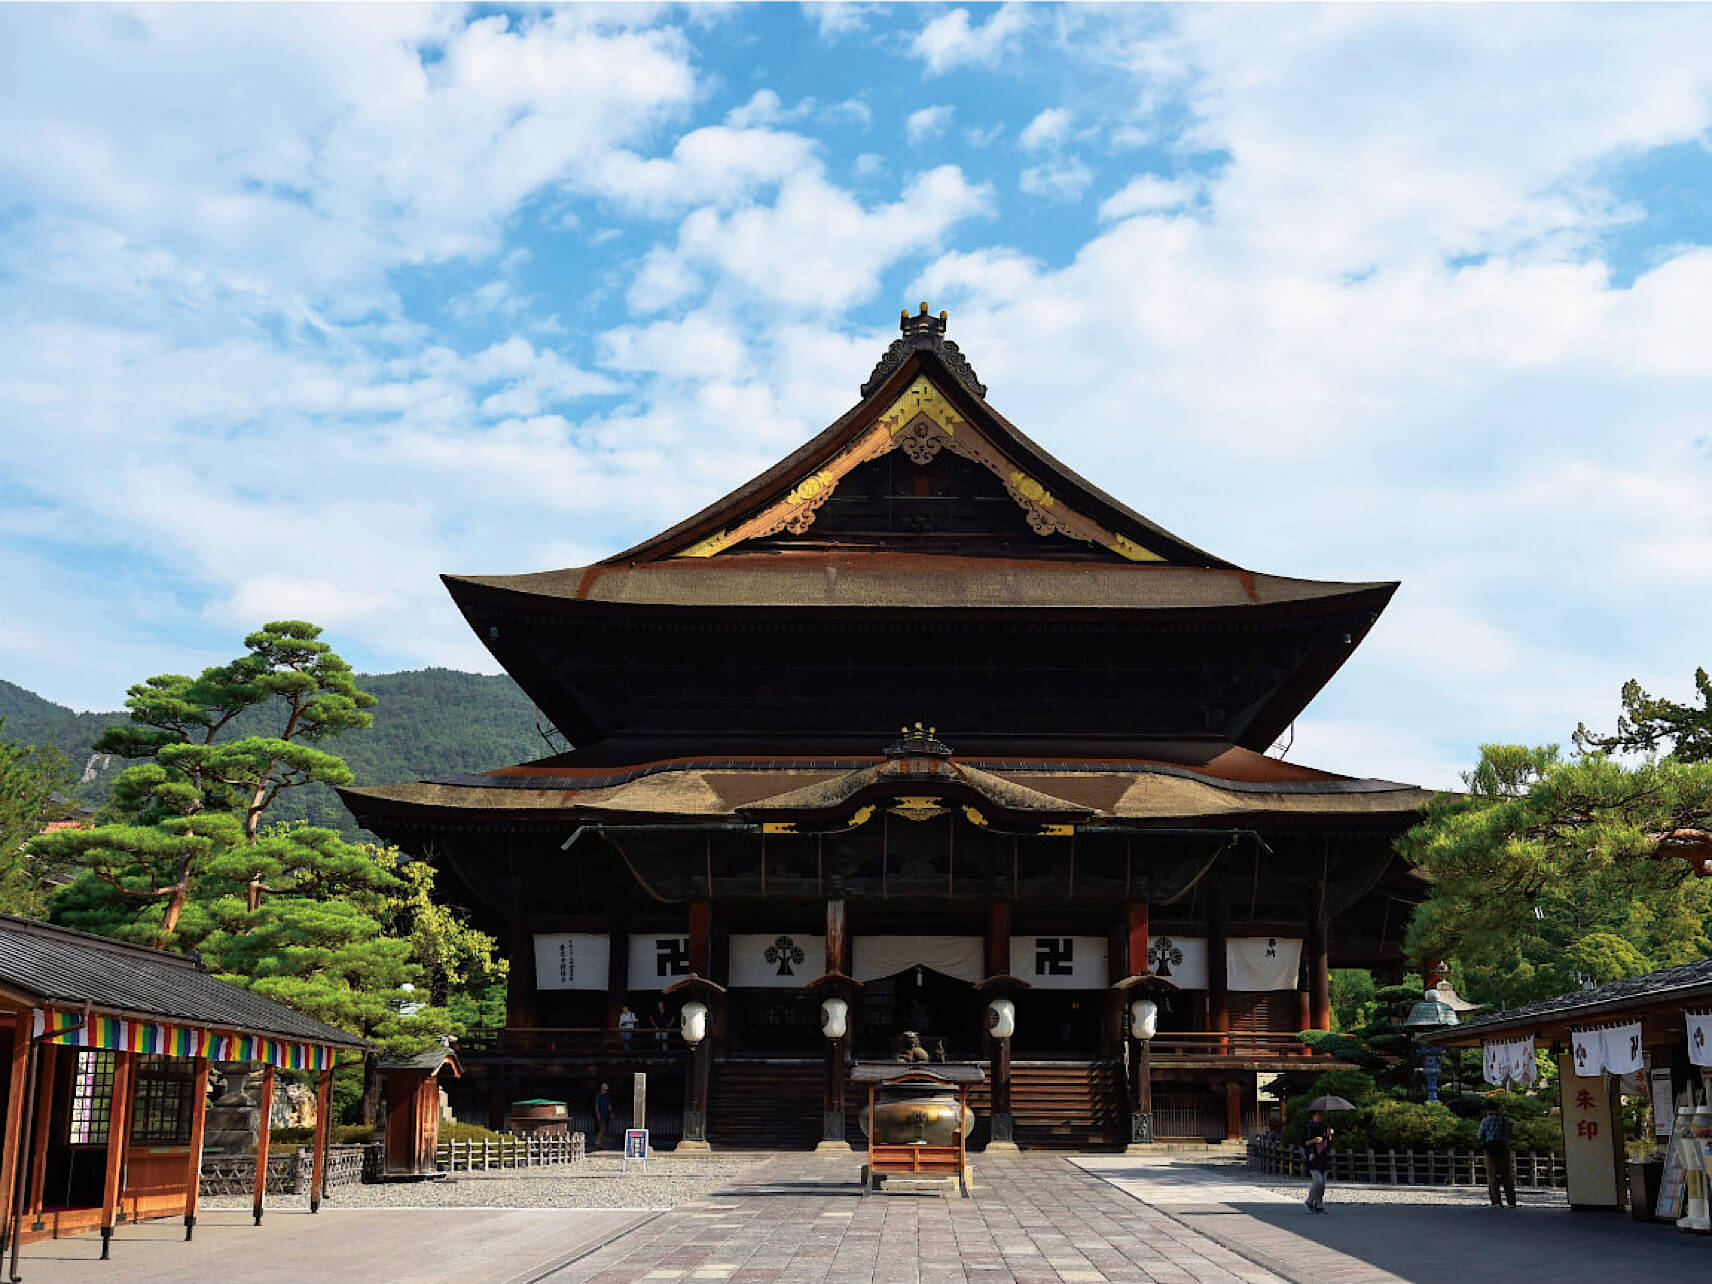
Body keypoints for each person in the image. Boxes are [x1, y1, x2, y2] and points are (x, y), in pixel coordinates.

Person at [1479, 1102, 1516, 1207]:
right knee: (1506, 1175)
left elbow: (1480, 1136)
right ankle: (1511, 1201)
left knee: (1492, 1175)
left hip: (1490, 1149)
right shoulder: (1504, 1121)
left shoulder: (1485, 1121)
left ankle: (1496, 1201)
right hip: (1502, 1148)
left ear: (1487, 1110)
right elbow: (1510, 1135)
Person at [1303, 1109, 1333, 1213]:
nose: (1320, 1116)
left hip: (1323, 1157)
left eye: (1321, 1114)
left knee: (1323, 1183)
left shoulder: (1324, 1126)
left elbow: (1328, 1141)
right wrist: (1314, 1140)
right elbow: (1305, 1143)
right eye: (1318, 1114)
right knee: (1318, 1182)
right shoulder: (1308, 1127)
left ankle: (1318, 1204)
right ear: (1313, 1115)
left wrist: (1329, 1135)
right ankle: (1310, 1201)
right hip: (1313, 1157)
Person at [593, 1082, 612, 1150]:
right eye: (604, 1089)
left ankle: (600, 1143)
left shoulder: (606, 1096)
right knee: (602, 1129)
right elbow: (596, 1106)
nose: (605, 1091)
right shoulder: (599, 1096)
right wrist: (598, 1114)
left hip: (605, 1115)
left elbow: (609, 1106)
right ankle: (598, 1142)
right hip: (601, 1115)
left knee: (603, 1130)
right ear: (602, 1089)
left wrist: (611, 1113)